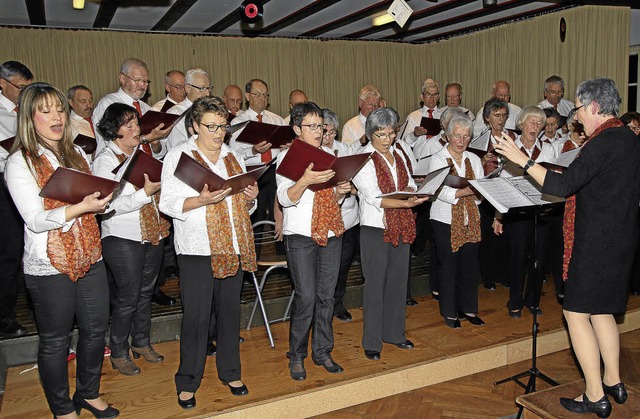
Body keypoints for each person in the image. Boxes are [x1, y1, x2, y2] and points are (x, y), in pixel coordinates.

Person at [495, 77, 640, 418]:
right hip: (622, 240)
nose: (575, 117)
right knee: (603, 310)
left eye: (577, 108)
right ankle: (614, 381)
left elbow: (563, 185)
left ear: (593, 106)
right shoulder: (630, 139)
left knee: (575, 313)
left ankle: (594, 395)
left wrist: (524, 160)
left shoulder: (601, 143)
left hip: (596, 243)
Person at [5, 83, 117, 418]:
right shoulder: (19, 162)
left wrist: (100, 203)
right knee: (55, 340)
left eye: (59, 109)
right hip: (49, 263)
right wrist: (80, 207)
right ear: (30, 117)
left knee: (96, 330)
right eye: (45, 110)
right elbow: (35, 220)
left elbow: (91, 201)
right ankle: (62, 408)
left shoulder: (77, 154)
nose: (56, 116)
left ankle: (88, 393)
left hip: (89, 256)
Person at [159, 96, 258, 408]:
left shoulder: (234, 157)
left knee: (229, 313)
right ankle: (188, 380)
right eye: (211, 126)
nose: (218, 133)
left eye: (223, 126)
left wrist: (251, 197)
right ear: (195, 126)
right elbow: (167, 203)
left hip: (232, 245)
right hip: (197, 248)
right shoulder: (179, 156)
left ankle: (230, 371)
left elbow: (245, 207)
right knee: (197, 317)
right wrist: (200, 202)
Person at [93, 103, 169, 376]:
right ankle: (119, 351)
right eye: (128, 124)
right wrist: (144, 193)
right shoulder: (105, 160)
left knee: (145, 293)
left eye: (136, 123)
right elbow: (107, 205)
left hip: (151, 231)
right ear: (114, 130)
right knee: (128, 296)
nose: (136, 129)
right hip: (122, 236)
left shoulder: (141, 153)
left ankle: (141, 342)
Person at [276, 101, 349, 380]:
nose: (319, 132)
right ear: (296, 129)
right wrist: (304, 179)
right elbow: (285, 198)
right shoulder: (287, 158)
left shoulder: (331, 154)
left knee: (326, 296)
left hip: (330, 232)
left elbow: (334, 200)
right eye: (312, 126)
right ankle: (296, 355)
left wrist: (341, 191)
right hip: (301, 236)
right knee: (306, 297)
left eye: (321, 126)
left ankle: (322, 351)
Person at [352, 107, 427, 360]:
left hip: (402, 224)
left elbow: (412, 182)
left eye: (391, 133)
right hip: (375, 228)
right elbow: (373, 197)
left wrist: (412, 191)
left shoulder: (400, 153)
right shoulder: (363, 158)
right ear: (370, 134)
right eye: (380, 135)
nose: (387, 139)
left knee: (398, 281)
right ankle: (371, 341)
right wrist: (407, 202)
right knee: (375, 285)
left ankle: (394, 333)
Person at [493, 106, 555, 318]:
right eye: (531, 122)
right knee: (518, 258)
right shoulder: (511, 148)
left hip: (543, 210)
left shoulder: (548, 149)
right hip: (518, 212)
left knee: (539, 257)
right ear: (521, 124)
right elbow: (501, 184)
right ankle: (515, 301)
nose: (534, 127)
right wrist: (498, 216)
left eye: (538, 123)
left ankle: (533, 300)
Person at [427, 113, 484, 328]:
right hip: (444, 219)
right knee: (449, 266)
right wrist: (468, 190)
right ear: (448, 136)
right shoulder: (438, 159)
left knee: (469, 266)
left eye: (466, 137)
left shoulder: (474, 159)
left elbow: (480, 194)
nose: (461, 141)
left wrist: (472, 192)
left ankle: (469, 309)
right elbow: (439, 190)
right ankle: (450, 312)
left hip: (471, 219)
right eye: (457, 136)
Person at [0, 60, 33, 339]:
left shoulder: (25, 110)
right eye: (21, 88)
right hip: (2, 182)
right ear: (3, 83)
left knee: (24, 247)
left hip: (26, 178)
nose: (24, 94)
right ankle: (5, 318)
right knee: (8, 254)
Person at [230, 79, 286, 225]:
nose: (263, 98)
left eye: (266, 95)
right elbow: (234, 154)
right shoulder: (238, 122)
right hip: (253, 172)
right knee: (257, 217)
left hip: (275, 171)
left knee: (280, 216)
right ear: (248, 96)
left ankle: (281, 247)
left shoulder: (277, 120)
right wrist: (253, 150)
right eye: (258, 94)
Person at [321, 109, 359, 322]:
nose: (328, 137)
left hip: (349, 215)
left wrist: (352, 187)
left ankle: (338, 302)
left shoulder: (344, 149)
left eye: (332, 132)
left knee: (344, 263)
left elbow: (356, 175)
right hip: (326, 216)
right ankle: (324, 304)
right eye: (324, 132)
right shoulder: (313, 152)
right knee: (328, 265)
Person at [93, 58, 172, 156]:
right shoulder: (108, 104)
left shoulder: (147, 109)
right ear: (122, 78)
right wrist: (145, 139)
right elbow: (108, 144)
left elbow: (160, 153)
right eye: (137, 80)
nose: (142, 86)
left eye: (145, 81)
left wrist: (155, 142)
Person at [476, 98, 512, 291]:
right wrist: (482, 160)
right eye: (497, 115)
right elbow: (471, 171)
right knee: (488, 237)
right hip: (487, 193)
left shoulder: (512, 138)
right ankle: (487, 276)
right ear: (487, 118)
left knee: (506, 236)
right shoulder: (479, 140)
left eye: (504, 115)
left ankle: (504, 274)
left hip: (507, 190)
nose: (501, 119)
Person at [165, 68, 213, 150]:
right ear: (188, 88)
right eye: (202, 88)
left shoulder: (211, 110)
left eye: (209, 88)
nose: (207, 93)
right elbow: (179, 146)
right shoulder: (175, 113)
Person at [399, 78, 442, 148]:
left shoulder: (444, 116)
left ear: (438, 97)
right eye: (428, 94)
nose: (432, 98)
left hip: (441, 156)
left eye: (435, 95)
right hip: (420, 157)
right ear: (422, 97)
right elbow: (404, 142)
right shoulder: (413, 116)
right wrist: (414, 134)